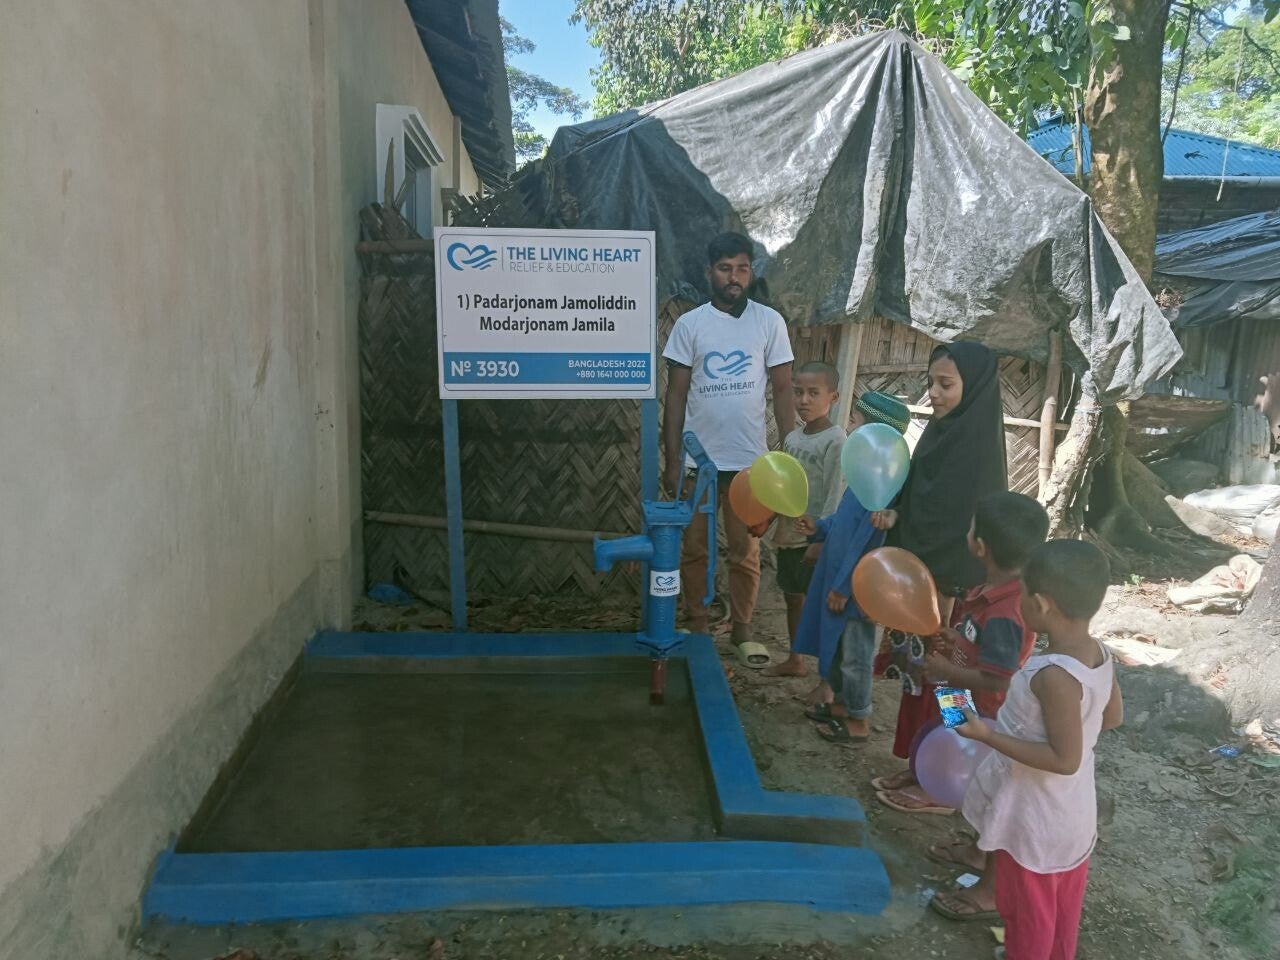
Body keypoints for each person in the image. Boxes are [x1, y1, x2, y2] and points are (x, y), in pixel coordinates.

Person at [941, 539, 1122, 960]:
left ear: (1042, 605)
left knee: (1028, 915)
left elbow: (1064, 759)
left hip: (1039, 815)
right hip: (1071, 810)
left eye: (1021, 593)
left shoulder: (1052, 675)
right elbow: (1110, 718)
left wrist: (987, 736)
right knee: (1057, 907)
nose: (1017, 600)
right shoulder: (1100, 654)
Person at [661, 232, 795, 666]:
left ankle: (742, 631)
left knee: (746, 551)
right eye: (724, 268)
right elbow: (676, 396)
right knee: (694, 547)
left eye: (741, 268)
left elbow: (782, 389)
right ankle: (698, 624)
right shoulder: (691, 325)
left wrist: (787, 454)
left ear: (750, 272)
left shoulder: (768, 322)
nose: (733, 277)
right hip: (699, 463)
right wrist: (672, 459)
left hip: (749, 467)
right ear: (709, 273)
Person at [873, 492, 1049, 816]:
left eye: (969, 529)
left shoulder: (1006, 612)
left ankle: (939, 791)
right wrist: (956, 641)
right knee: (939, 729)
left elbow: (999, 679)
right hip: (958, 688)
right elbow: (981, 645)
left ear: (980, 547)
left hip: (979, 705)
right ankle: (922, 771)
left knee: (957, 742)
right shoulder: (989, 590)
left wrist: (947, 670)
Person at [796, 392, 913, 742]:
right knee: (837, 649)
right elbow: (844, 522)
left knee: (855, 655)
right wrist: (819, 528)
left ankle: (859, 719)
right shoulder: (863, 479)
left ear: (877, 434)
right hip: (837, 580)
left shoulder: (883, 489)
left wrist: (845, 587)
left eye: (857, 422)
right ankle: (842, 706)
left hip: (856, 590)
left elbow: (868, 543)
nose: (850, 427)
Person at [874, 342, 1008, 622]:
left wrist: (946, 584)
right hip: (914, 576)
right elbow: (919, 496)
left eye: (945, 385)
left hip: (952, 593)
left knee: (938, 661)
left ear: (973, 388)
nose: (932, 393)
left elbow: (965, 526)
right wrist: (897, 513)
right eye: (930, 382)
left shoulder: (979, 453)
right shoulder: (934, 437)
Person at [761, 361, 847, 680]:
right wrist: (768, 520)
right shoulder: (793, 439)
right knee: (792, 596)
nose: (804, 401)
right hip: (789, 533)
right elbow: (782, 486)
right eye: (798, 393)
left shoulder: (837, 440)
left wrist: (822, 540)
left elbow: (835, 492)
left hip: (817, 537)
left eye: (814, 393)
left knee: (822, 605)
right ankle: (795, 659)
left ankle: (827, 677)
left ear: (833, 398)